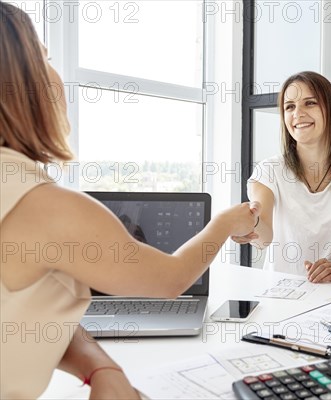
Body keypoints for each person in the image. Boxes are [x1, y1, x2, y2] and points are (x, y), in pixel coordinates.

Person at [0, 3, 260, 398]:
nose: (55, 73)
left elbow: (31, 313)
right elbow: (171, 278)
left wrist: (98, 364)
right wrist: (225, 222)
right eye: (45, 58)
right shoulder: (46, 207)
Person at [232, 71, 331, 283]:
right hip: (279, 300)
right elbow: (264, 237)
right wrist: (251, 225)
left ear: (330, 110)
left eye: (310, 103)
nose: (298, 113)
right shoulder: (270, 170)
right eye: (289, 106)